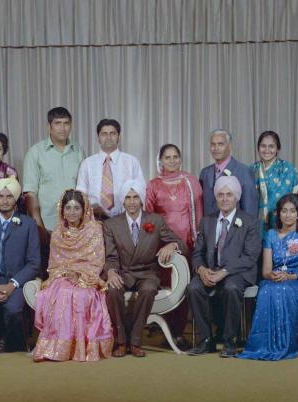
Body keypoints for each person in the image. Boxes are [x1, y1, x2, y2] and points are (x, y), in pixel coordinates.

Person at [103, 180, 184, 357]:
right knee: (112, 290)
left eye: (136, 197)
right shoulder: (111, 224)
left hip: (147, 273)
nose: (132, 201)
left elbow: (180, 243)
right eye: (128, 198)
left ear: (141, 200)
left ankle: (136, 341)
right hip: (123, 272)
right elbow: (110, 257)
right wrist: (111, 272)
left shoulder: (154, 220)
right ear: (122, 201)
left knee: (148, 290)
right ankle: (121, 341)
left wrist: (171, 245)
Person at [32, 189, 114, 362]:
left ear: (84, 210)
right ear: (62, 210)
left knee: (82, 295)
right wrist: (65, 273)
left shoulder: (94, 230)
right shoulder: (57, 233)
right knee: (62, 292)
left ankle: (79, 349)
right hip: (62, 276)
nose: (72, 212)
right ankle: (59, 349)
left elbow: (97, 261)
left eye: (76, 208)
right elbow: (54, 263)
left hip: (87, 277)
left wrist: (80, 276)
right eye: (67, 208)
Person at [186, 175, 261, 357]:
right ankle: (206, 340)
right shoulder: (207, 221)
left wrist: (224, 272)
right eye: (220, 195)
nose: (225, 199)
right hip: (210, 271)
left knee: (231, 287)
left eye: (229, 195)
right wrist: (201, 269)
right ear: (216, 198)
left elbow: (250, 256)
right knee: (193, 288)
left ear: (236, 197)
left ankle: (230, 341)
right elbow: (197, 253)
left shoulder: (250, 222)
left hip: (237, 272)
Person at [237, 193, 298, 361]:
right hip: (274, 278)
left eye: (292, 211)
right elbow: (266, 270)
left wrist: (288, 276)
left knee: (284, 290)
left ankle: (286, 344)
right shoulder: (271, 235)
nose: (288, 215)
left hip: (297, 280)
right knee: (266, 291)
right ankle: (264, 345)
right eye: (284, 211)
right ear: (278, 214)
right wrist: (272, 275)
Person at [145, 143, 203, 348]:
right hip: (162, 245)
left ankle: (178, 333)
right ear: (160, 161)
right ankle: (165, 330)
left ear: (180, 159)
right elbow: (149, 217)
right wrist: (157, 243)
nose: (172, 161)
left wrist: (196, 241)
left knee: (184, 285)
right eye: (167, 157)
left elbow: (199, 212)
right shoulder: (153, 185)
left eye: (175, 157)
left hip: (187, 240)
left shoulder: (191, 181)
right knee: (167, 286)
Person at [0, 177, 40, 353]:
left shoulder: (28, 224)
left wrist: (12, 285)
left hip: (16, 280)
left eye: (9, 196)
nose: (4, 200)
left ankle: (10, 343)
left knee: (13, 308)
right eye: (0, 196)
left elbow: (34, 263)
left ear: (16, 198)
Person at [22, 106, 85, 233]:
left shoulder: (78, 151)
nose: (62, 128)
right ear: (49, 126)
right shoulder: (35, 152)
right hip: (47, 225)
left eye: (66, 123)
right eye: (57, 123)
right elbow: (30, 193)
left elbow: (84, 189)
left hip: (75, 224)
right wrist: (38, 226)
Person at [76, 119, 145, 220]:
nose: (108, 137)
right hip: (93, 220)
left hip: (125, 219)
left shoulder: (131, 162)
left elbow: (141, 191)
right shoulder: (87, 164)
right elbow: (80, 194)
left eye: (112, 133)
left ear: (119, 137)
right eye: (104, 134)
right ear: (98, 138)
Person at [198, 129, 259, 219]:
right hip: (210, 230)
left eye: (220, 144)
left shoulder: (244, 171)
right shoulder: (205, 173)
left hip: (235, 230)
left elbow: (250, 210)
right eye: (213, 144)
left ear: (229, 146)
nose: (216, 148)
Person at [250, 131, 298, 237]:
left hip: (282, 226)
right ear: (258, 148)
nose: (267, 150)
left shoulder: (288, 169)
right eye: (263, 146)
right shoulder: (251, 170)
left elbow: (295, 200)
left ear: (278, 148)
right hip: (256, 227)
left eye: (271, 146)